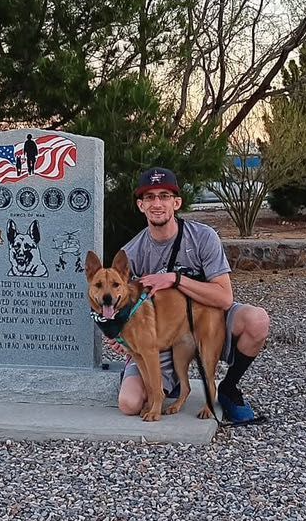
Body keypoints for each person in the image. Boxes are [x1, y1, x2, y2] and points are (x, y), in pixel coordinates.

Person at [114, 166, 269, 423]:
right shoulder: (132, 253)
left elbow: (224, 298)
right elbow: (119, 303)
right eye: (149, 198)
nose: (157, 204)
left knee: (257, 320)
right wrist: (117, 330)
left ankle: (228, 389)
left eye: (164, 196)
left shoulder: (203, 237)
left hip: (209, 319)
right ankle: (167, 380)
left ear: (177, 202)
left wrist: (175, 279)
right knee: (129, 404)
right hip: (161, 333)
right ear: (140, 205)